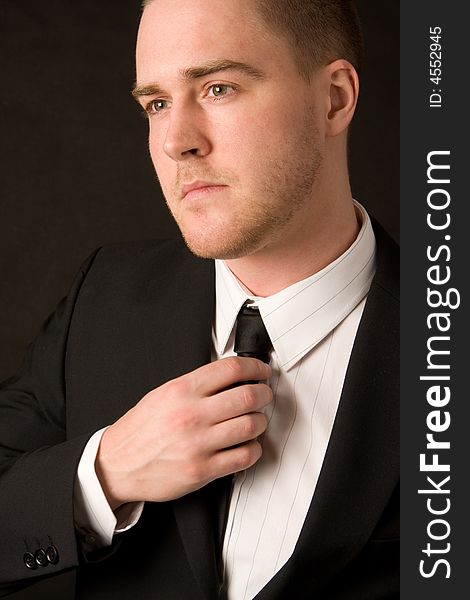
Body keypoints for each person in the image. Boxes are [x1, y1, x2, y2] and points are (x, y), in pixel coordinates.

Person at [0, 0, 399, 598]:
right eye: (156, 104)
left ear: (334, 98)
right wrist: (105, 473)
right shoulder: (103, 298)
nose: (175, 142)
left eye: (218, 88)